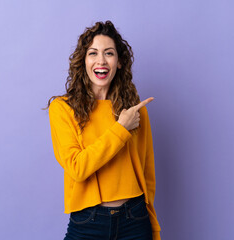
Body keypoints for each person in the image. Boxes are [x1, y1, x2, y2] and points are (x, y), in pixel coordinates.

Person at [44, 20, 161, 239]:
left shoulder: (135, 110)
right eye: (93, 53)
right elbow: (77, 168)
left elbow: (147, 175)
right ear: (83, 60)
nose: (101, 61)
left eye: (109, 53)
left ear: (119, 62)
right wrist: (120, 129)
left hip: (135, 220)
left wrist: (154, 229)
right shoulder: (62, 109)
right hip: (88, 221)